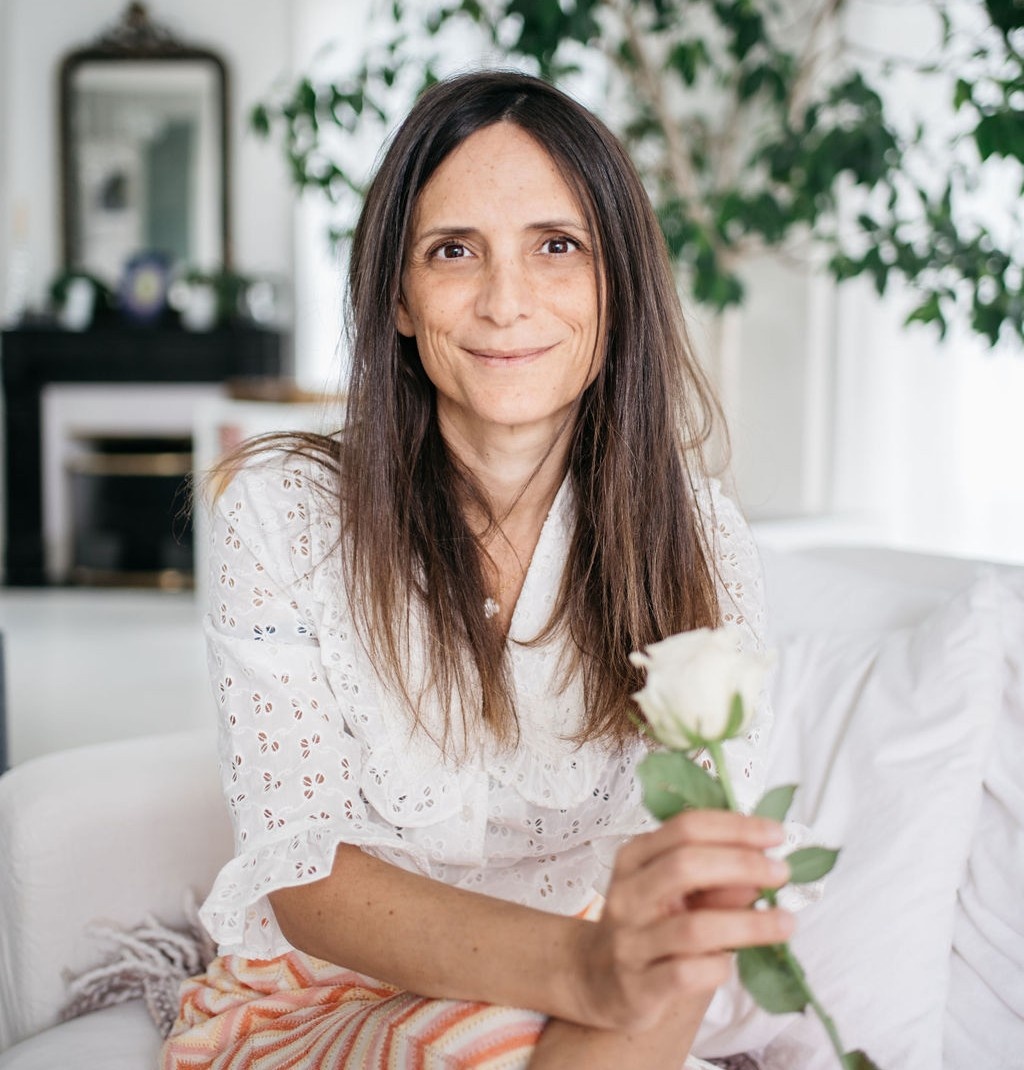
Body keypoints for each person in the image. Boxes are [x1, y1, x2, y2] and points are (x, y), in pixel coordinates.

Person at [162, 70, 790, 1070]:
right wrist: (588, 969)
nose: (505, 302)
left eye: (557, 245)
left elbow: (689, 908)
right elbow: (305, 870)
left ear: (618, 288)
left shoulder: (699, 539)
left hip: (603, 994)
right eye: (453, 250)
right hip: (328, 998)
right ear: (399, 298)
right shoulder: (282, 515)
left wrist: (611, 981)